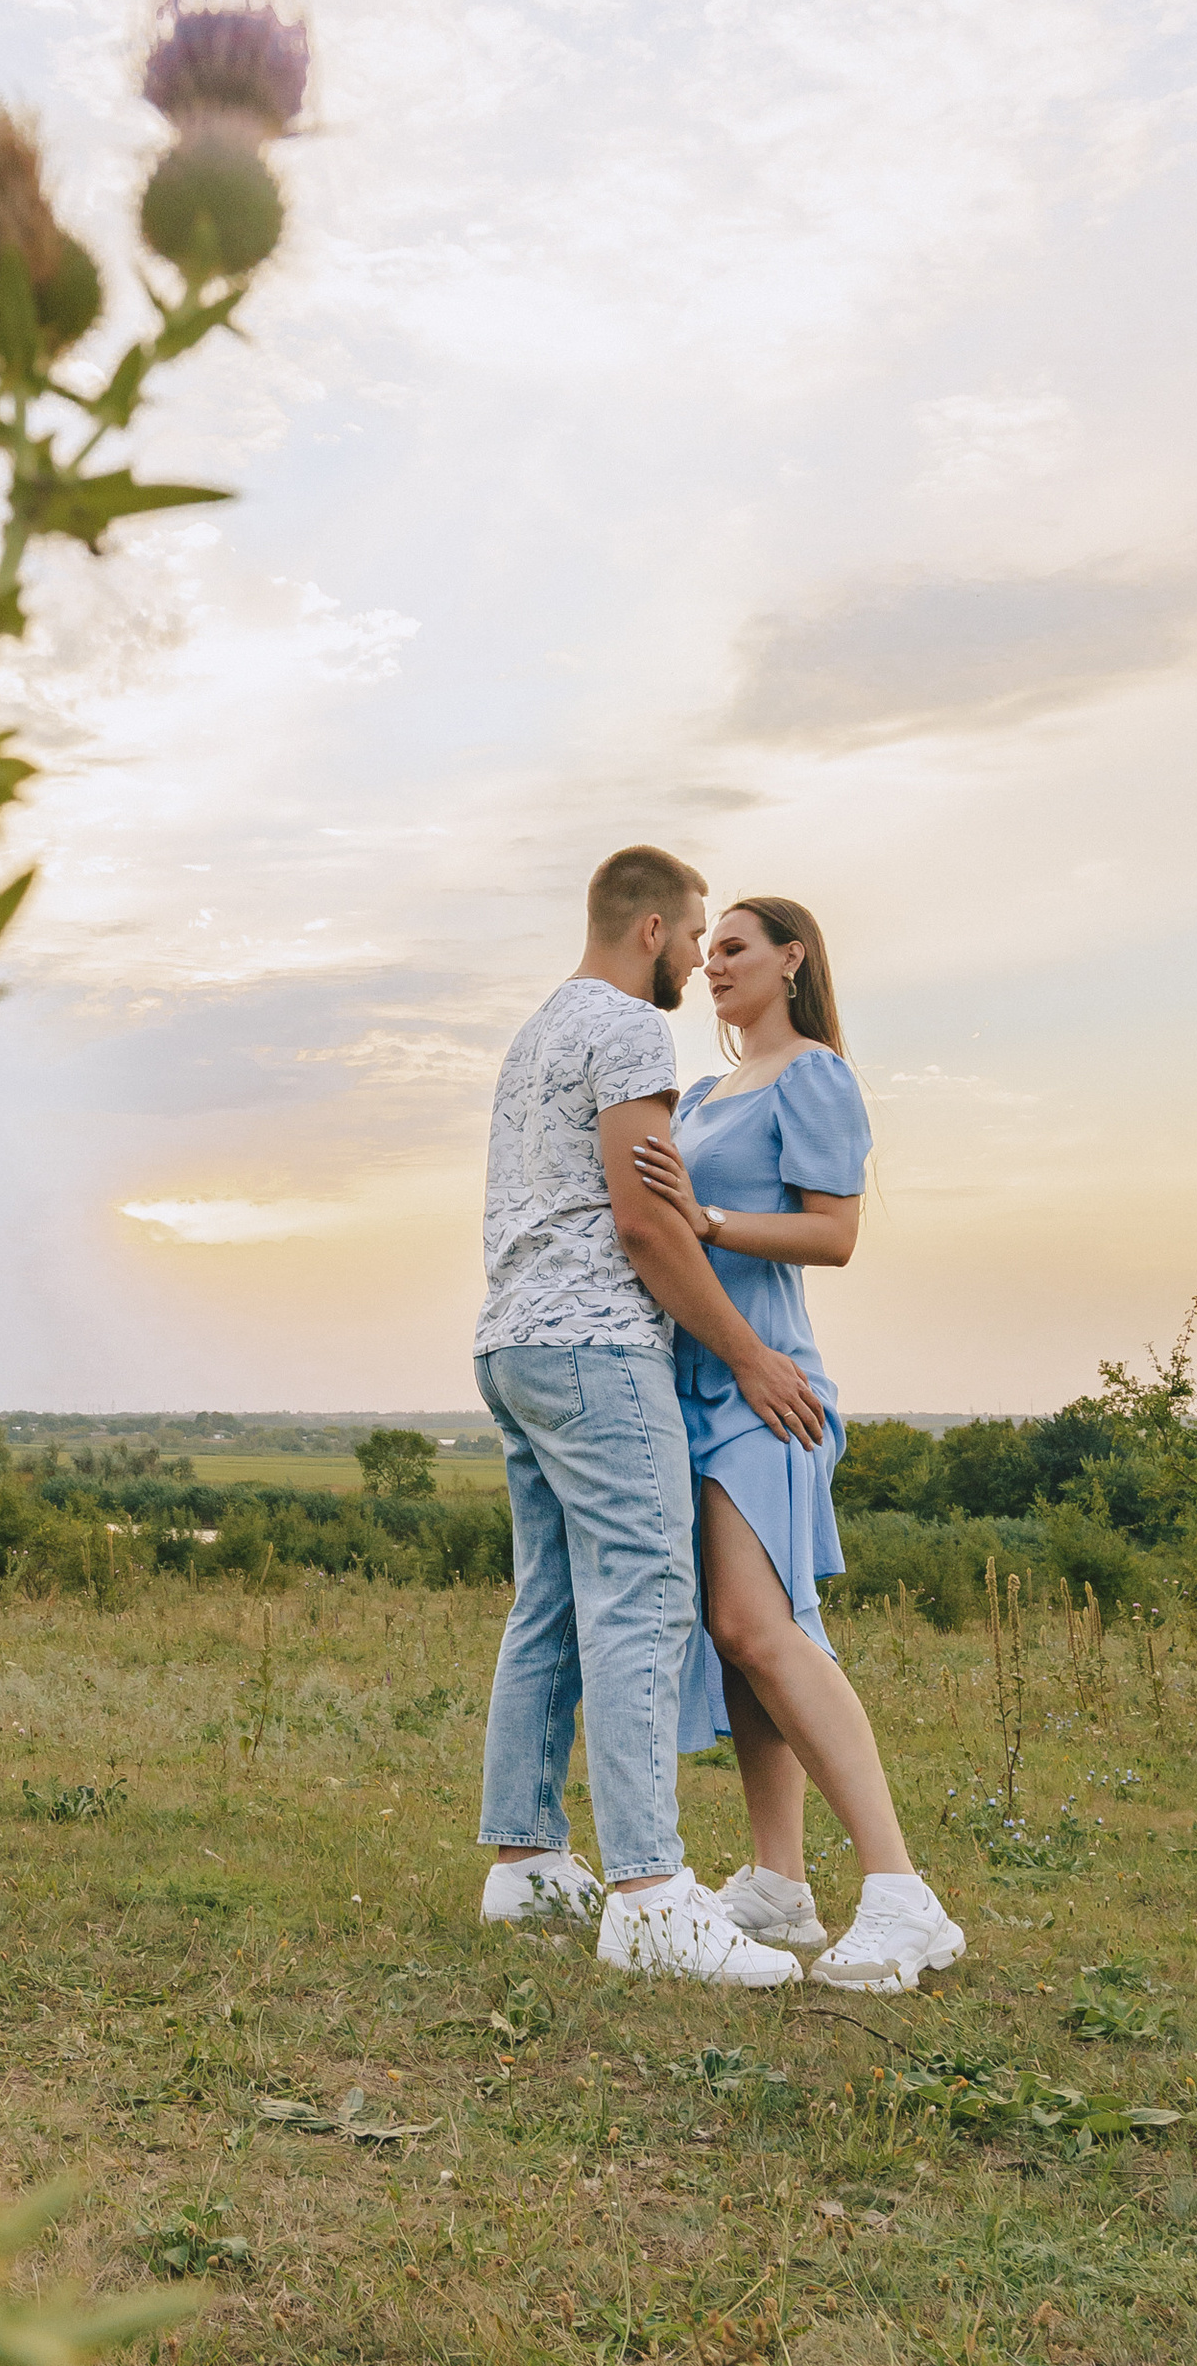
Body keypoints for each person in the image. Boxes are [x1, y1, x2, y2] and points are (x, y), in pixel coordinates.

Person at [473, 846, 830, 1986]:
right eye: (689, 938)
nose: (693, 959)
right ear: (649, 933)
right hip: (594, 1348)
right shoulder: (630, 1029)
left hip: (511, 1339)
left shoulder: (537, 1031)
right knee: (644, 1592)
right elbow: (645, 1223)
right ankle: (649, 1895)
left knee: (553, 1598)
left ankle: (524, 1860)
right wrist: (750, 1354)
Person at [629, 896, 965, 1995]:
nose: (712, 962)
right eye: (707, 948)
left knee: (758, 1629)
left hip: (764, 1385)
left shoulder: (812, 1073)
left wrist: (712, 1223)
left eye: (733, 946)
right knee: (737, 1642)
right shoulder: (711, 1090)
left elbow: (835, 1231)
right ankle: (777, 1883)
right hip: (693, 1386)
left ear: (791, 958)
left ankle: (903, 1895)